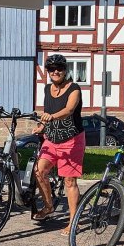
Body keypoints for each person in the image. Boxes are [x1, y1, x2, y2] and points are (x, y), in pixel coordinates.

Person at [33, 54, 84, 232]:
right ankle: (48, 206)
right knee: (39, 171)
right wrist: (41, 126)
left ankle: (73, 222)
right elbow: (48, 112)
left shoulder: (74, 88)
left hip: (71, 140)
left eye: (59, 68)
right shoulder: (47, 89)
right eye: (51, 69)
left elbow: (69, 109)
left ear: (65, 70)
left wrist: (52, 117)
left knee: (70, 181)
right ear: (47, 71)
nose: (56, 71)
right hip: (51, 139)